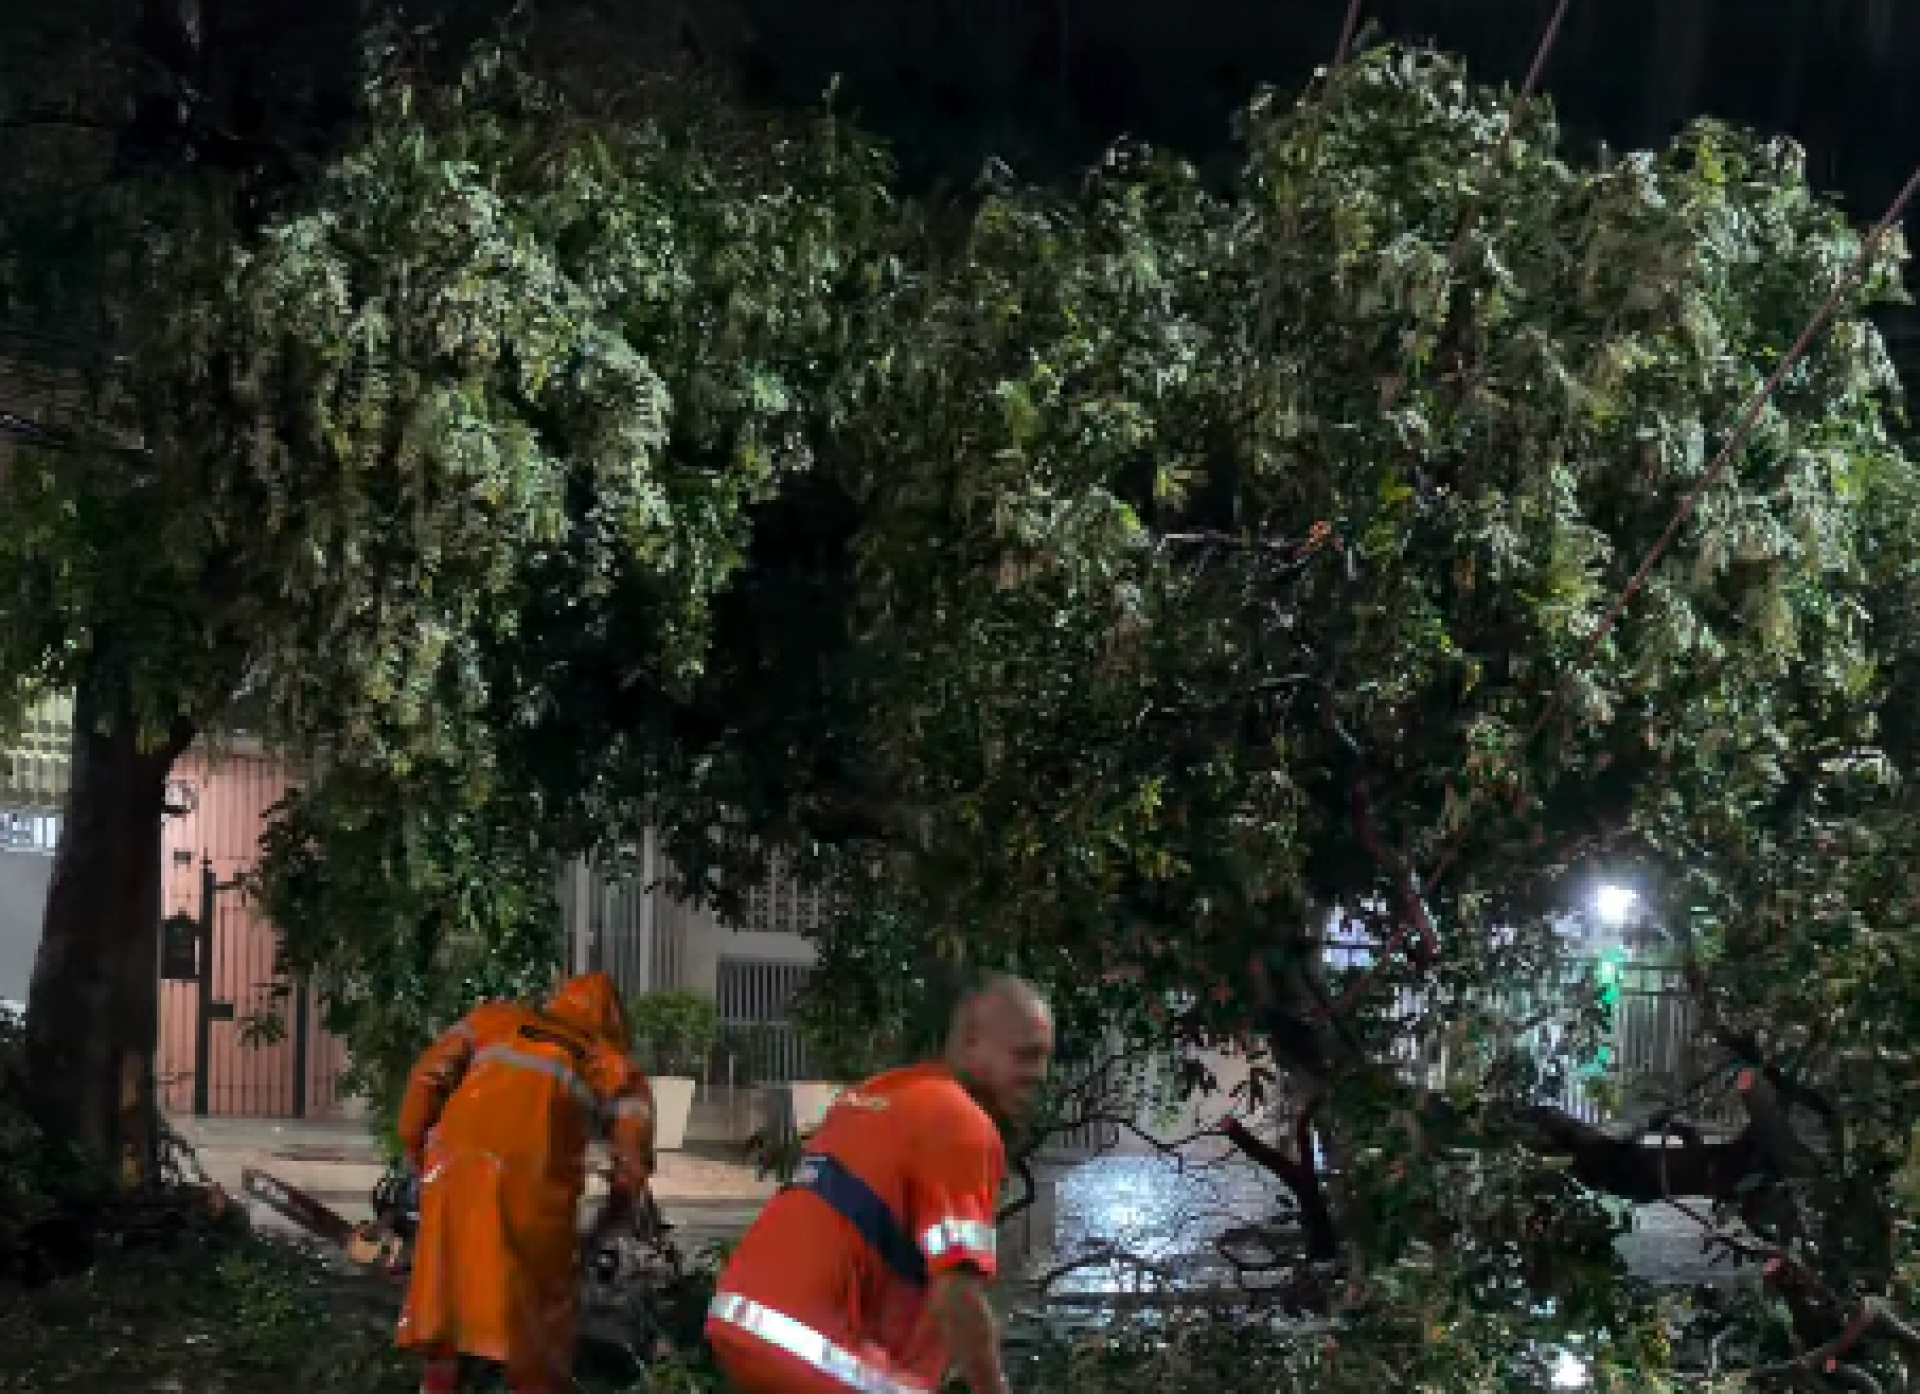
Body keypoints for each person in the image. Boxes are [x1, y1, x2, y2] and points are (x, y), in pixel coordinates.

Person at [707, 974, 1055, 1394]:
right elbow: (956, 1297)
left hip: (741, 1315)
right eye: (1026, 1055)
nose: (1039, 1073)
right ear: (970, 1042)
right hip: (803, 1337)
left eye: (1044, 1058)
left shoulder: (888, 1095)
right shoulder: (961, 1122)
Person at [394, 970, 656, 1394]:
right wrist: (612, 1218)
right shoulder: (610, 1062)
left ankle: (439, 1380)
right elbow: (630, 1160)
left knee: (446, 1297)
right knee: (540, 1324)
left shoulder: (494, 1020)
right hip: (534, 1191)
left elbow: (427, 1075)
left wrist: (419, 1151)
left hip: (452, 1172)